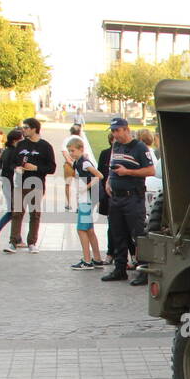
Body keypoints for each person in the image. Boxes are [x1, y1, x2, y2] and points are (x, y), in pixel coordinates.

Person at [101, 118, 155, 282]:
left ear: (126, 129)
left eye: (118, 130)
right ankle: (120, 269)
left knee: (137, 235)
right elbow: (113, 164)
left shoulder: (139, 147)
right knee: (118, 234)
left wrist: (128, 172)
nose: (115, 134)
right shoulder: (116, 146)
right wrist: (109, 181)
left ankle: (144, 271)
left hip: (133, 197)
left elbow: (150, 170)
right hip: (116, 197)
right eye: (113, 131)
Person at [8, 117, 56, 253]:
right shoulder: (21, 145)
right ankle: (14, 241)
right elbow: (12, 162)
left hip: (37, 184)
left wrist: (36, 168)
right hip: (20, 183)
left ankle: (32, 242)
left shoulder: (45, 146)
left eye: (26, 128)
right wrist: (16, 168)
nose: (23, 130)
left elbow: (51, 168)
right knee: (17, 212)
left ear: (34, 129)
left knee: (34, 213)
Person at [67, 137, 105, 270]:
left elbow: (99, 175)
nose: (71, 153)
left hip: (87, 200)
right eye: (69, 151)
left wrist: (86, 187)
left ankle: (87, 260)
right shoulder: (79, 162)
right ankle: (97, 259)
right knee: (89, 230)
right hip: (86, 199)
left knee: (81, 229)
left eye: (73, 150)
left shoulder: (84, 163)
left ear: (81, 149)